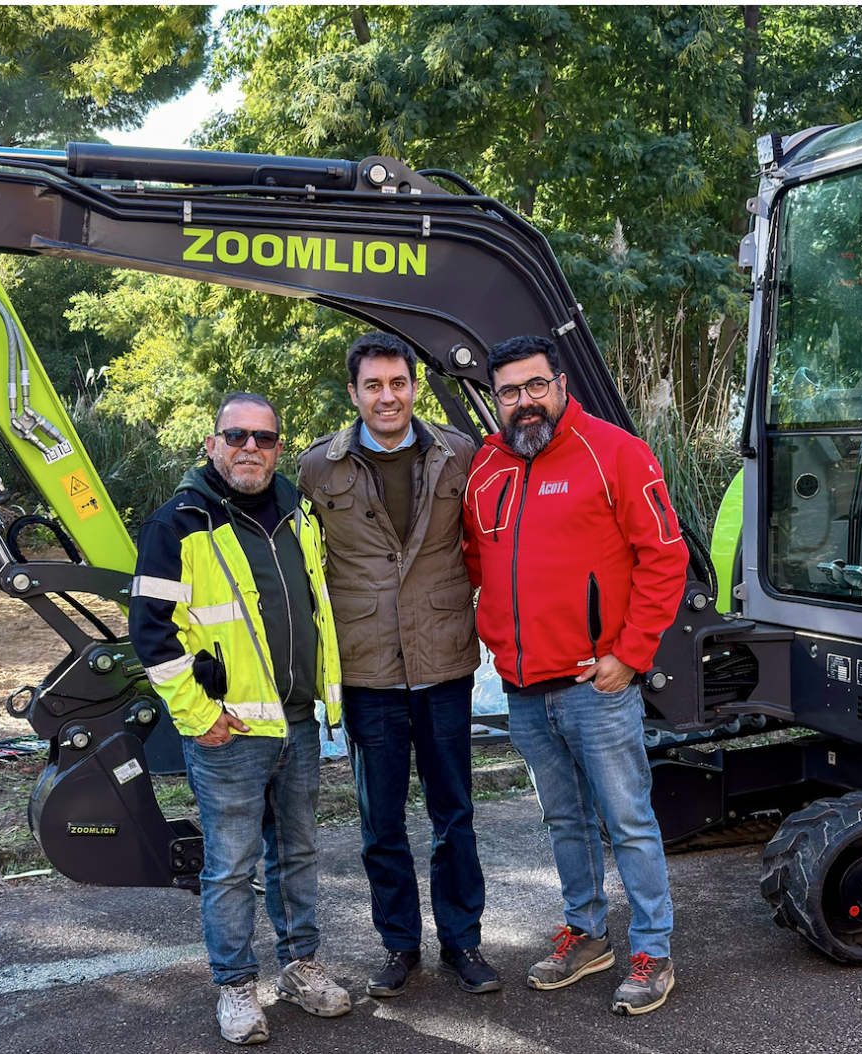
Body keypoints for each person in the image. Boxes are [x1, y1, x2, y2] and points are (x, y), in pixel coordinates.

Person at [461, 334, 689, 1015]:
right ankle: (588, 935)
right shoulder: (486, 467)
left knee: (627, 820)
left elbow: (665, 557)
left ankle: (653, 948)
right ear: (495, 400)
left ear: (560, 384)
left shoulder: (614, 451)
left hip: (599, 686)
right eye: (509, 392)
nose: (524, 402)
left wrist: (632, 652)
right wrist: (501, 639)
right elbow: (480, 564)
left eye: (535, 387)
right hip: (525, 690)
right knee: (565, 820)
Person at [129, 392, 351, 1046]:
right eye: (236, 436)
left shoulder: (299, 512)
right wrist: (199, 717)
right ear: (212, 444)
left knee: (299, 853)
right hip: (228, 733)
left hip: (299, 722)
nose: (250, 447)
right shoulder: (178, 523)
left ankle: (301, 967)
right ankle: (236, 988)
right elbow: (151, 634)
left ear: (279, 446)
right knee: (230, 866)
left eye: (264, 437)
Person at [298, 332, 500, 998]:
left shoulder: (460, 454)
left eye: (399, 383)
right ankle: (399, 946)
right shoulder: (316, 470)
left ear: (413, 387)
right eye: (374, 386)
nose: (389, 397)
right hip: (367, 671)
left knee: (454, 815)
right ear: (353, 393)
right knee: (380, 822)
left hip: (443, 662)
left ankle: (463, 944)